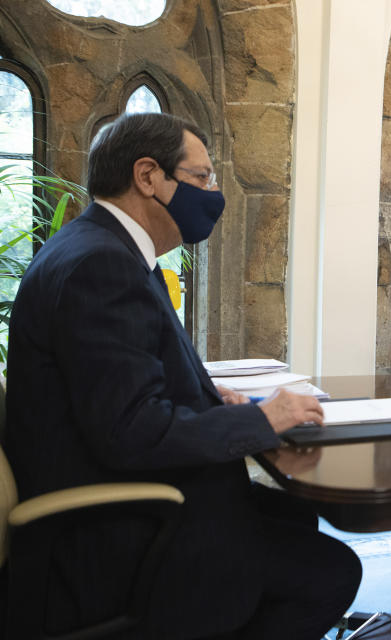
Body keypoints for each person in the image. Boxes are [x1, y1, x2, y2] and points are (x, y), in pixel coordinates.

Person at [3, 113, 361, 639]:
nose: (214, 194)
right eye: (203, 178)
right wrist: (264, 419)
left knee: (293, 517)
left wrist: (205, 394)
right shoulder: (99, 267)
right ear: (148, 176)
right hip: (111, 540)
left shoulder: (102, 249)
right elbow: (132, 433)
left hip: (128, 499)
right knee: (332, 571)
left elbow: (119, 383)